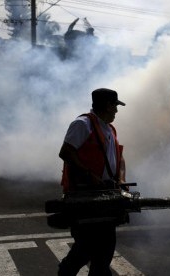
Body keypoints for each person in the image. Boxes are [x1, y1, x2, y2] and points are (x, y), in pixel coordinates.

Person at [57, 88, 126, 276]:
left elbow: (119, 159)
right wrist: (91, 176)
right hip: (84, 196)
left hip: (106, 198)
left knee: (105, 251)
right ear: (107, 105)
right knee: (85, 249)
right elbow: (66, 152)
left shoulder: (110, 129)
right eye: (115, 106)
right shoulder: (83, 124)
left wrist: (120, 180)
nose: (116, 111)